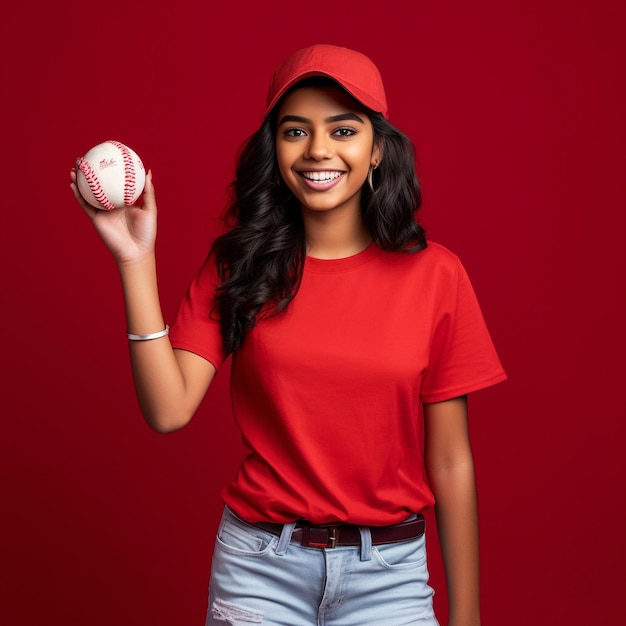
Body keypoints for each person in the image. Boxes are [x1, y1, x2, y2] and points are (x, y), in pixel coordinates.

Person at [70, 44, 506, 626]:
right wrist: (135, 256)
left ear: (377, 150)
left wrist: (468, 616)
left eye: (343, 129)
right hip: (259, 568)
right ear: (274, 150)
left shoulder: (436, 275)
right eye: (295, 130)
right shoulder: (240, 266)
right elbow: (168, 409)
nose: (318, 150)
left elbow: (451, 460)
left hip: (390, 577)